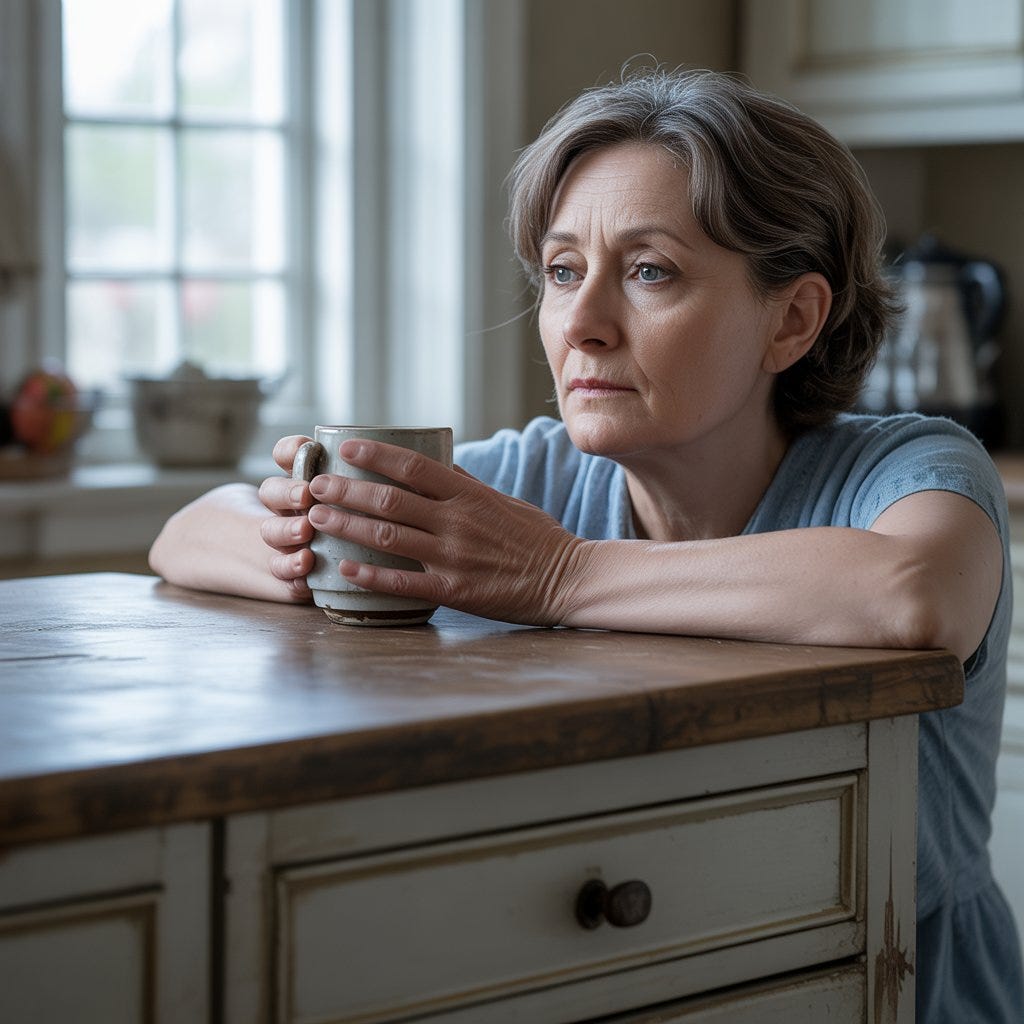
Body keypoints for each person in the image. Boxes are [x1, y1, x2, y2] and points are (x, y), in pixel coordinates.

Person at [149, 67, 1023, 1021]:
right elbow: (187, 531)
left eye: (650, 272)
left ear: (793, 319)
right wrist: (310, 538)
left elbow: (911, 593)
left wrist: (556, 574)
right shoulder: (542, 474)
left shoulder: (910, 466)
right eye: (564, 272)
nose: (583, 325)